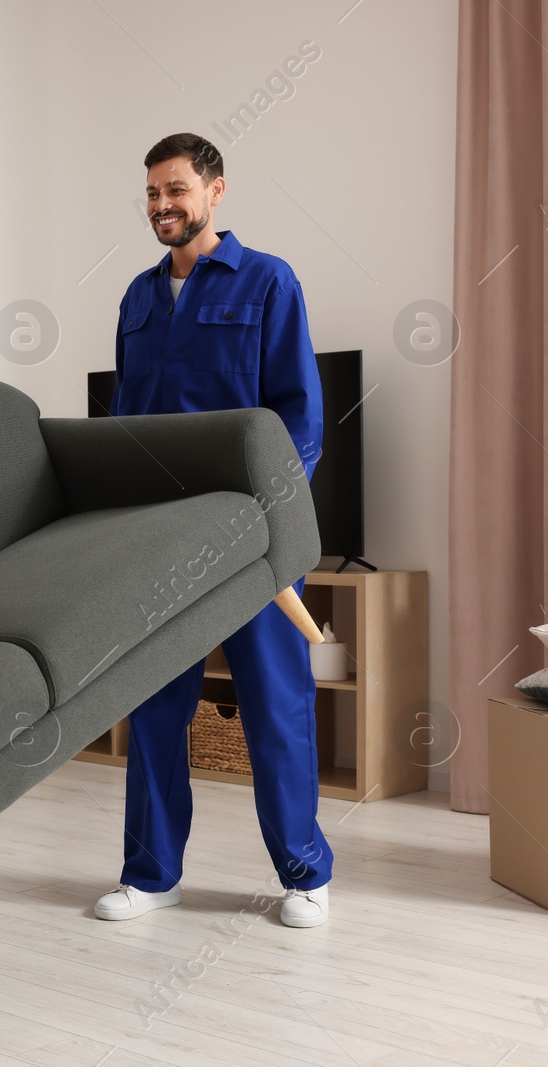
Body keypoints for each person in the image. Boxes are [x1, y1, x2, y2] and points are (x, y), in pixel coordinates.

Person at [94, 132, 333, 928]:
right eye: (152, 194)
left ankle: (304, 874)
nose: (162, 206)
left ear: (216, 191)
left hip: (256, 538)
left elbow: (301, 418)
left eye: (176, 190)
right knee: (157, 707)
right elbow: (127, 424)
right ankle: (151, 873)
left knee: (274, 708)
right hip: (164, 542)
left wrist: (262, 515)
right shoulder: (136, 297)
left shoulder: (268, 282)